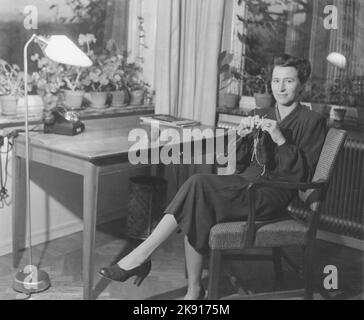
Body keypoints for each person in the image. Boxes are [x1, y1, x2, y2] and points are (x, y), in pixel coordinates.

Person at [99, 53, 327, 300]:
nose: (280, 87)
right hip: (246, 183)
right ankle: (185, 284)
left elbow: (303, 174)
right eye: (276, 80)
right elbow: (240, 163)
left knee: (198, 185)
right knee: (197, 199)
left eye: (289, 81)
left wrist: (280, 139)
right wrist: (242, 135)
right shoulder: (263, 113)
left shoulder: (313, 121)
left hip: (271, 194)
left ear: (302, 84)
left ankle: (152, 263)